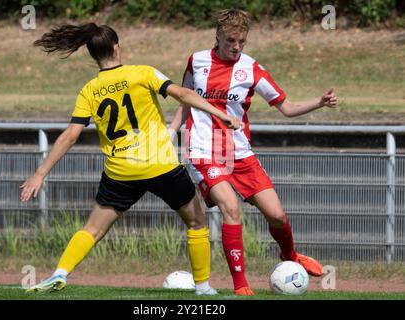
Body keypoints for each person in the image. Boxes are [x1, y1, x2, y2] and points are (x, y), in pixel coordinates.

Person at [20, 22, 244, 296]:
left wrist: (40, 173)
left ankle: (59, 272)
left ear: (93, 55)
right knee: (197, 222)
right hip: (160, 164)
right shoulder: (143, 73)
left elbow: (70, 135)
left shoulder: (89, 90)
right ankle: (203, 287)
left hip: (121, 172)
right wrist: (222, 114)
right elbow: (184, 94)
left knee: (92, 229)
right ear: (117, 48)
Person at [169, 9, 338, 296]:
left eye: (242, 41)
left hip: (240, 154)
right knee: (230, 208)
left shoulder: (251, 68)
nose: (236, 46)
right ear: (218, 36)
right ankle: (241, 286)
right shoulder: (196, 61)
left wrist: (319, 102)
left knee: (277, 216)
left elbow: (286, 108)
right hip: (202, 151)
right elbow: (186, 100)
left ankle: (291, 258)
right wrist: (171, 132)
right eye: (231, 40)